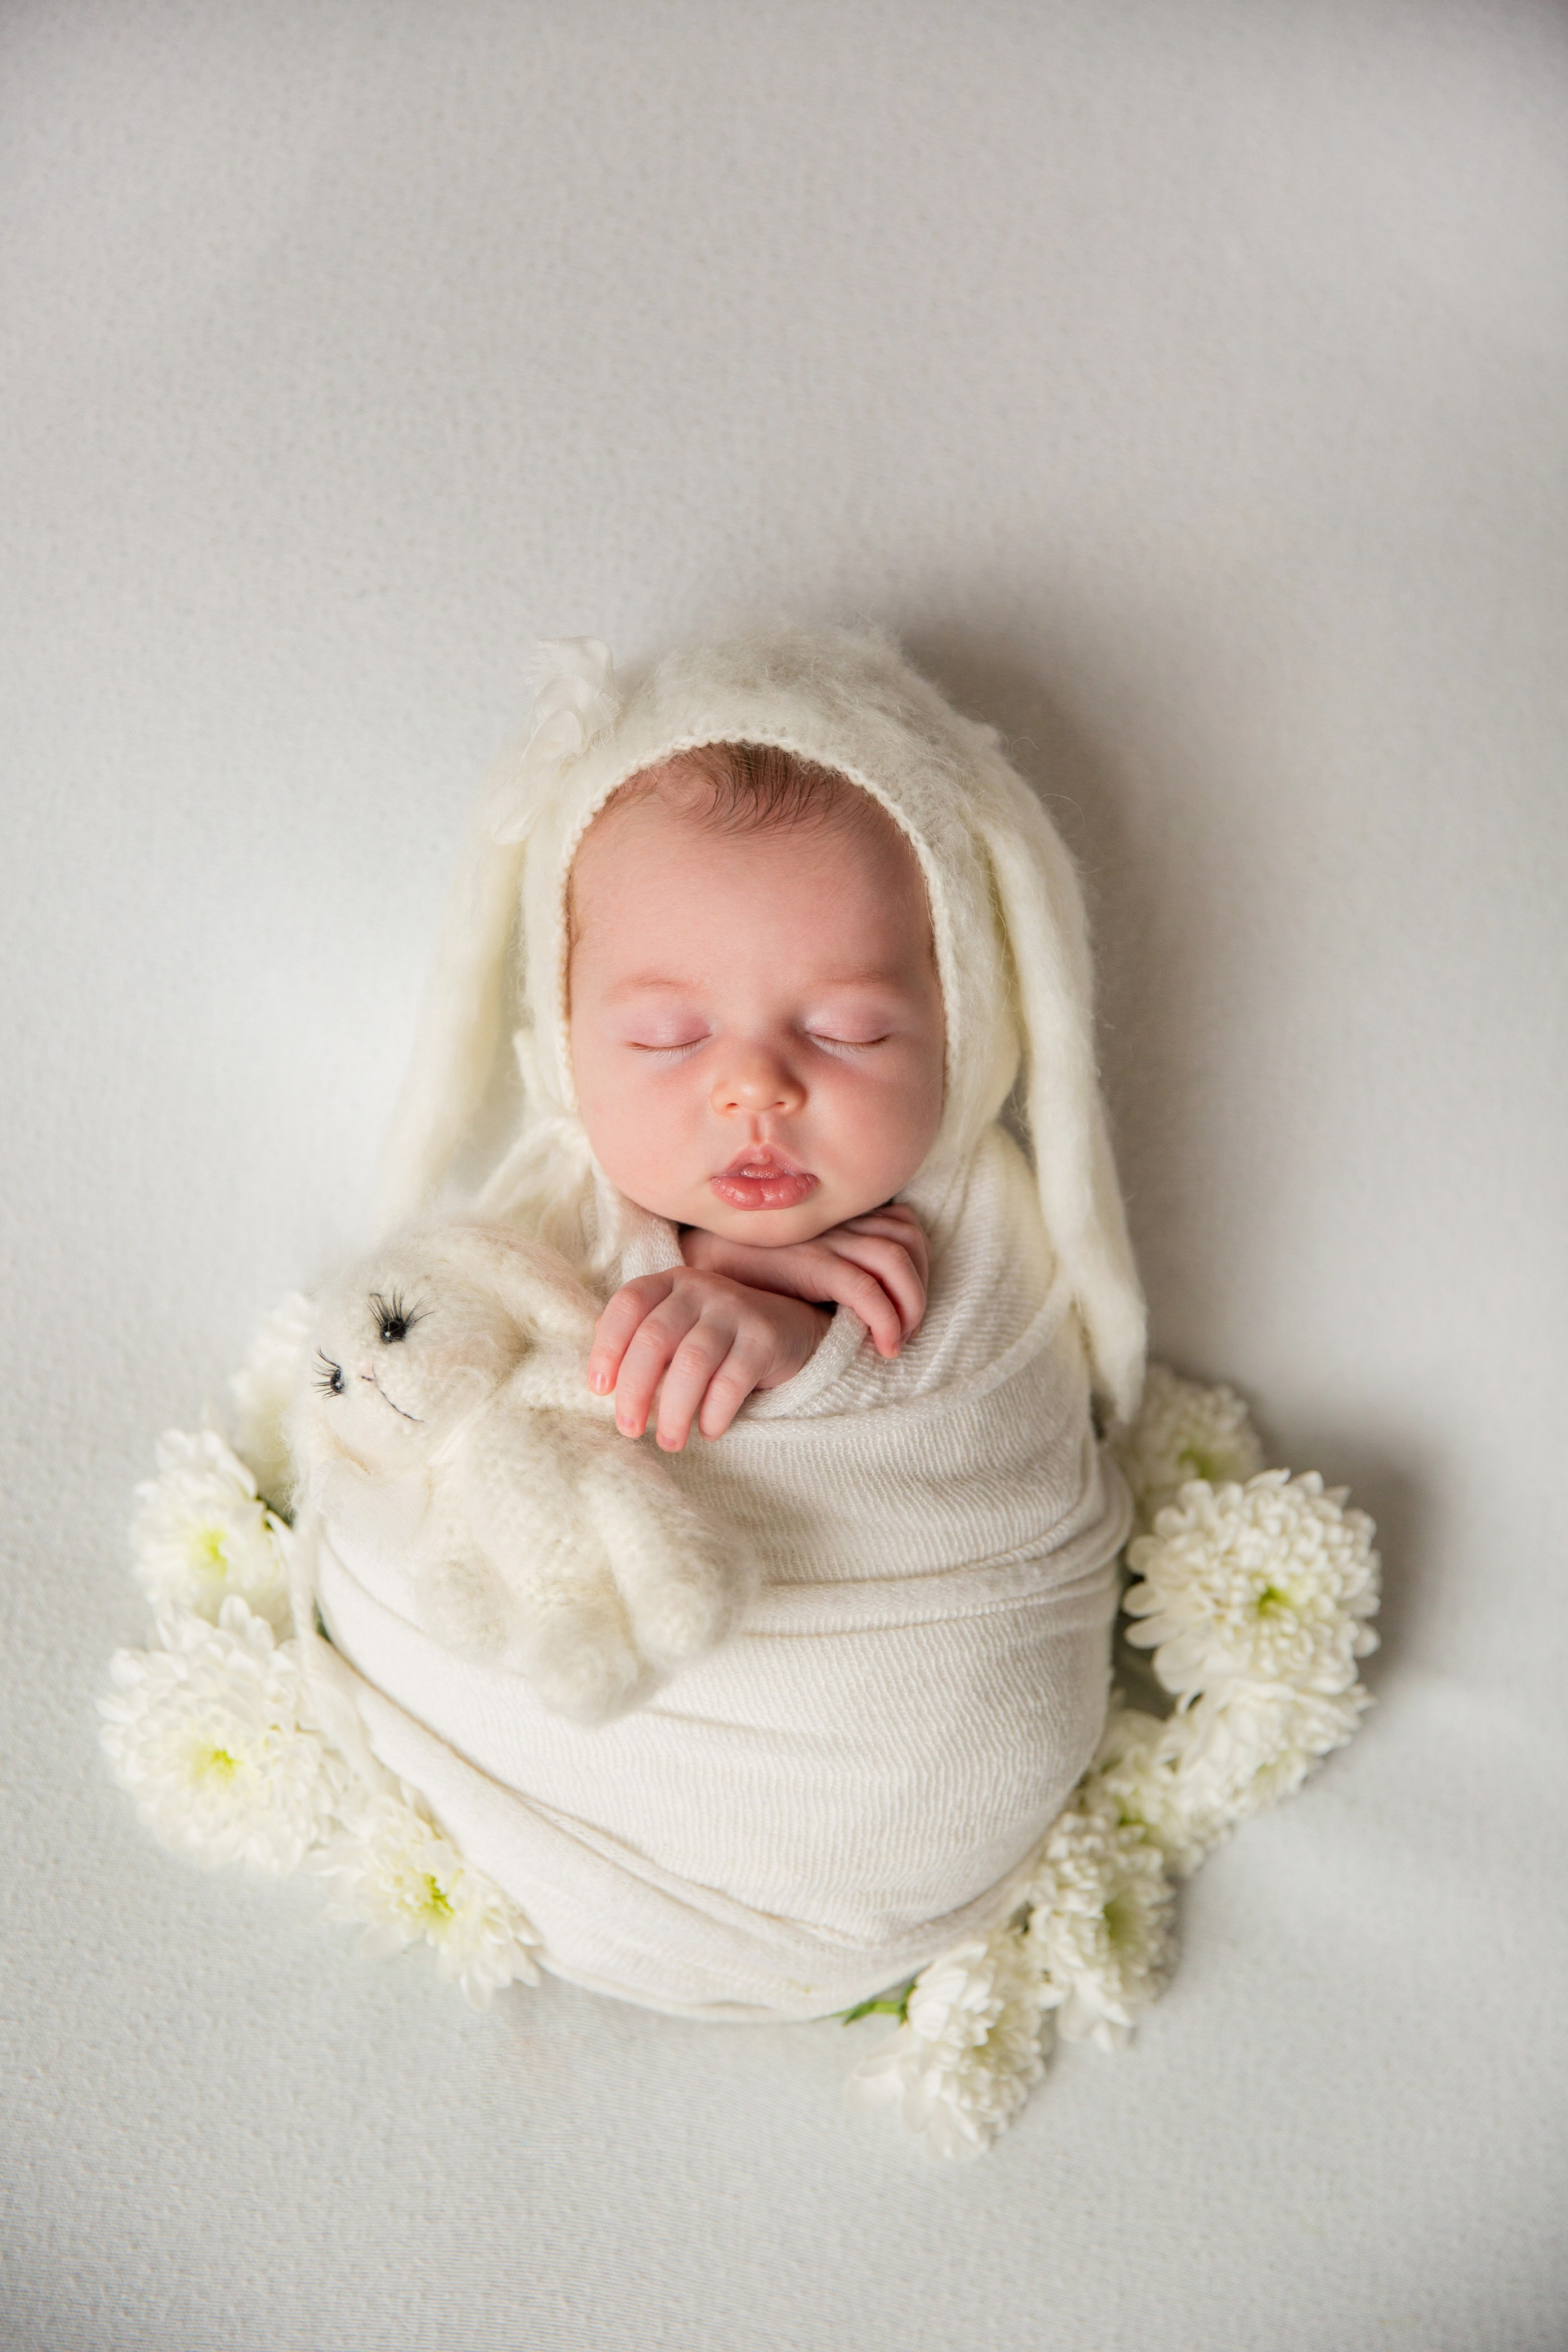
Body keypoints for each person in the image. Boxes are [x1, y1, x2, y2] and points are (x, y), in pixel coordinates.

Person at [316, 625, 1146, 2020]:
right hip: (508, 1777)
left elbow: (981, 1456)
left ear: (964, 1015)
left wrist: (794, 1347)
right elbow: (409, 1401)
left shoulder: (978, 1237)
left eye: (849, 1031)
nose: (754, 1090)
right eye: (665, 1038)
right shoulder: (553, 1209)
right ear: (565, 1030)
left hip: (879, 1795)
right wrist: (694, 1279)